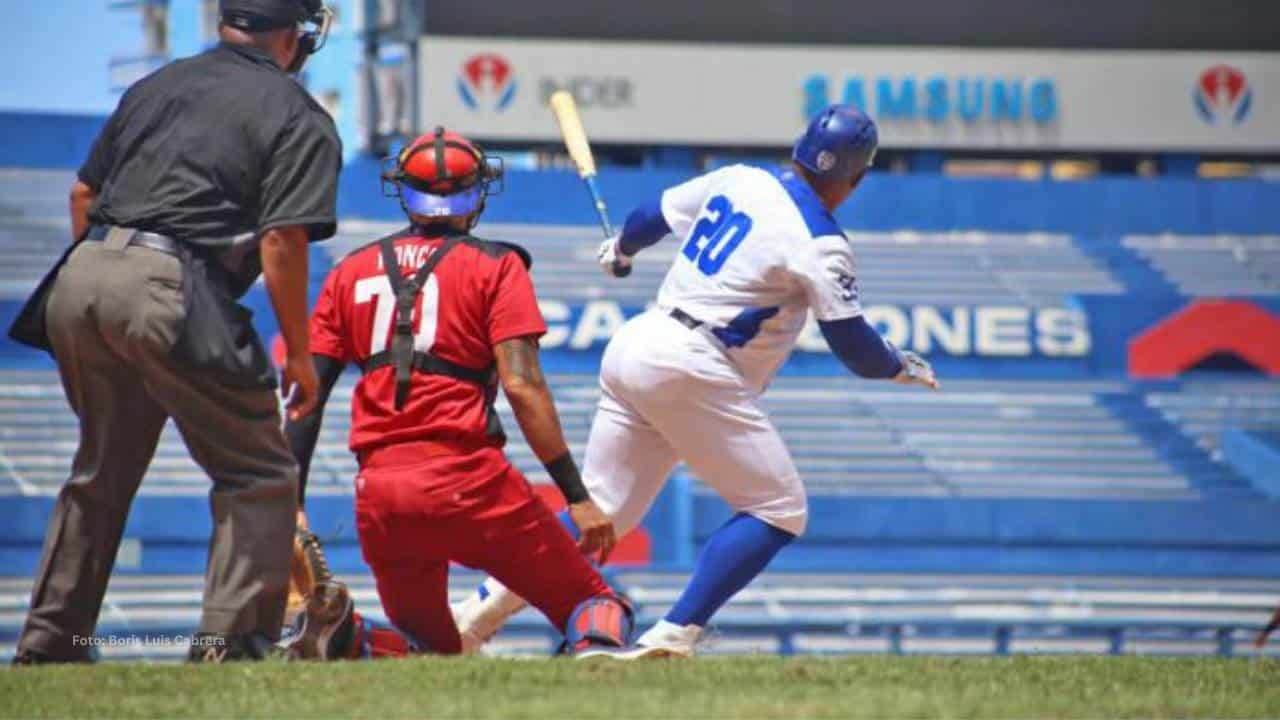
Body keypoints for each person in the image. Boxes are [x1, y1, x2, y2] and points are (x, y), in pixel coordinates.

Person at [454, 105, 940, 658]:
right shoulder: (822, 242)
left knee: (604, 509)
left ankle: (474, 614)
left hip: (639, 342)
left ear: (800, 149)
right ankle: (676, 634)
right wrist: (900, 365)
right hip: (693, 364)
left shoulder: (741, 178)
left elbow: (649, 217)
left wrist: (621, 250)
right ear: (855, 179)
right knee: (778, 510)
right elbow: (854, 347)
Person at [8, 0, 341, 664]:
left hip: (82, 276)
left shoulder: (156, 84)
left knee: (99, 474)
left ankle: (49, 645)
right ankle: (231, 647)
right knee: (258, 471)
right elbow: (281, 237)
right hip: (171, 284)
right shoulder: (297, 112)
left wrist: (109, 278)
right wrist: (299, 355)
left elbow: (82, 194)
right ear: (297, 36)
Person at [279, 128, 633, 659]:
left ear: (402, 190)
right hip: (469, 480)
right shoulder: (498, 265)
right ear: (478, 191)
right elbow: (522, 384)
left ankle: (345, 635)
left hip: (380, 495)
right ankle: (602, 668)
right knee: (595, 604)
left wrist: (290, 504)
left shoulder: (348, 273)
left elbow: (304, 400)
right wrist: (577, 498)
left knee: (431, 652)